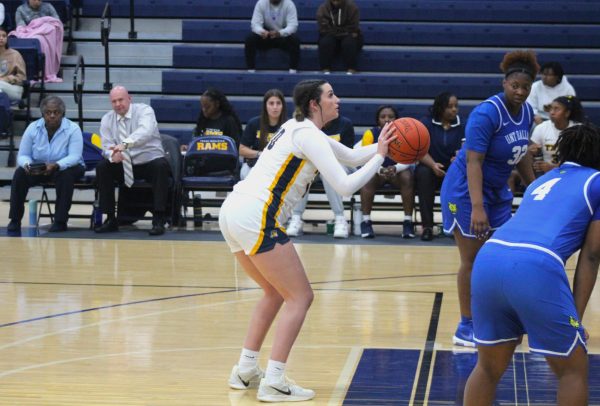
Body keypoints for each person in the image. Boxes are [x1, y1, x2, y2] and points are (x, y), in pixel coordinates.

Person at [220, 79, 394, 402]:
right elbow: (344, 185)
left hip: (233, 212)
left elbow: (350, 156)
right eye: (331, 96)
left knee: (274, 293)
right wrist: (381, 158)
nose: (337, 100)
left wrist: (383, 145)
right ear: (315, 104)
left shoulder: (297, 127)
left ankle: (245, 369)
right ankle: (274, 380)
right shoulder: (308, 134)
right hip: (256, 215)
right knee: (300, 297)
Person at [464, 123, 600, 406]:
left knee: (488, 368)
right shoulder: (597, 181)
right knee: (573, 370)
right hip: (533, 264)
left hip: (489, 258)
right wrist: (575, 316)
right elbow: (591, 255)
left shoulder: (540, 182)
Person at [440, 50, 539, 347]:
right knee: (471, 260)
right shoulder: (487, 113)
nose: (520, 92)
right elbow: (473, 162)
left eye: (525, 87)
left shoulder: (527, 113)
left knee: (499, 257)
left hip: (496, 191)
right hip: (466, 190)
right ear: (504, 83)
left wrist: (534, 190)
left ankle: (497, 317)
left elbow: (520, 155)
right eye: (515, 86)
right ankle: (465, 326)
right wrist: (478, 208)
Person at [95, 86, 171, 236]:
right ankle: (110, 218)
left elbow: (145, 132)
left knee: (161, 166)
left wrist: (124, 145)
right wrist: (112, 155)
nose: (117, 104)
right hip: (124, 163)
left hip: (148, 160)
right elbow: (106, 145)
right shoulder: (107, 119)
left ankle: (159, 219)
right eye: (114, 101)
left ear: (129, 98)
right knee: (103, 167)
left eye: (121, 100)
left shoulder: (144, 111)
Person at [6, 96, 84, 234]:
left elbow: (74, 156)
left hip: (67, 166)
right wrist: (28, 165)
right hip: (40, 167)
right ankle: (15, 220)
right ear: (43, 114)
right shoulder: (32, 128)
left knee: (65, 175)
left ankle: (60, 221)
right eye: (48, 112)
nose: (52, 116)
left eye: (56, 112)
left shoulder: (73, 129)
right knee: (19, 174)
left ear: (62, 114)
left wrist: (56, 165)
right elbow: (23, 154)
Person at [286, 115, 355, 238]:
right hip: (314, 166)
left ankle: (339, 219)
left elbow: (348, 156)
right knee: (301, 171)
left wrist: (324, 161)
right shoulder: (310, 125)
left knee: (328, 171)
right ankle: (296, 217)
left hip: (341, 165)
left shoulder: (345, 124)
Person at [359, 105, 415, 239]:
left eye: (391, 117)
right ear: (377, 120)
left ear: (397, 119)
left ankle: (408, 221)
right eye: (383, 117)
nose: (387, 119)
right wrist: (380, 169)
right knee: (367, 177)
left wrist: (396, 168)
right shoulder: (370, 134)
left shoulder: (405, 135)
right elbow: (365, 159)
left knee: (407, 177)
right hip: (378, 172)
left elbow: (409, 159)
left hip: (397, 172)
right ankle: (366, 221)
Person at [416, 92, 464, 241]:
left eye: (456, 106)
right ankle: (427, 227)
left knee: (461, 176)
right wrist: (433, 165)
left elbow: (465, 148)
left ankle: (452, 226)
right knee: (423, 174)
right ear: (440, 107)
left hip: (453, 168)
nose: (454, 110)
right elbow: (419, 150)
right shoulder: (426, 123)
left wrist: (459, 157)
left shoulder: (462, 124)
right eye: (450, 107)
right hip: (430, 166)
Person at [529, 95, 585, 176]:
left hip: (573, 173)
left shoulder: (579, 129)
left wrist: (553, 167)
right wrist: (532, 151)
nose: (552, 112)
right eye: (551, 108)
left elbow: (581, 161)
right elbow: (530, 154)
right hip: (547, 173)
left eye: (556, 109)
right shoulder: (541, 128)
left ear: (567, 113)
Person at [239, 88, 287, 180]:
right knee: (246, 173)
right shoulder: (254, 123)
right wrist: (260, 154)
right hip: (256, 163)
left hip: (281, 165)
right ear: (265, 106)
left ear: (283, 106)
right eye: (271, 103)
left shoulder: (289, 125)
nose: (275, 107)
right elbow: (242, 150)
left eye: (278, 103)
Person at [12, 0, 63, 83]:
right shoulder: (20, 9)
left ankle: (44, 68)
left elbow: (56, 22)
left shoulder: (48, 7)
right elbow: (21, 27)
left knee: (44, 34)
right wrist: (34, 29)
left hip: (46, 34)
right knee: (34, 38)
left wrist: (43, 26)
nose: (38, 1)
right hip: (30, 34)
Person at [245, 0, 300, 74]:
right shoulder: (261, 3)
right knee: (250, 39)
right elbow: (255, 24)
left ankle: (293, 71)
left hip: (282, 36)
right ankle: (250, 71)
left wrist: (280, 33)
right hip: (266, 36)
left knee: (295, 40)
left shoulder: (289, 4)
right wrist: (262, 31)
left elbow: (293, 26)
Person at [316, 0, 363, 74]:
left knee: (349, 43)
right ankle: (325, 68)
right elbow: (323, 27)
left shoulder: (352, 7)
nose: (336, 2)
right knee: (325, 43)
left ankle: (351, 68)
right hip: (331, 34)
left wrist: (340, 32)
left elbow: (353, 26)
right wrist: (338, 32)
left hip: (348, 34)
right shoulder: (323, 8)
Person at [0, 25, 26, 102]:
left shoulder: (15, 55)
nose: (1, 38)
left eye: (4, 36)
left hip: (14, 88)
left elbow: (22, 78)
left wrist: (7, 79)